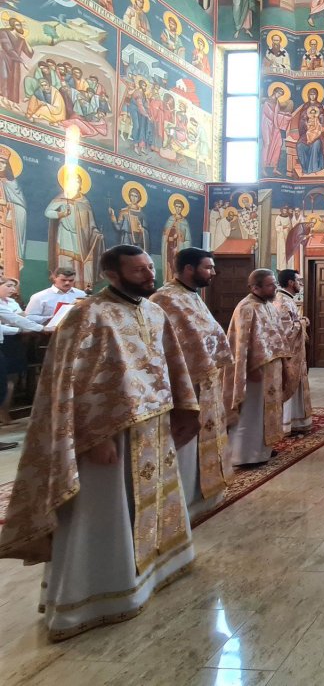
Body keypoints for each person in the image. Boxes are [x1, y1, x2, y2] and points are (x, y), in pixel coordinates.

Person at [0, 245, 198, 641]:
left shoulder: (153, 311)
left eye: (149, 268)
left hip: (152, 428)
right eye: (138, 270)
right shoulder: (88, 314)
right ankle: (96, 595)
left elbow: (171, 366)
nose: (148, 275)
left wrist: (181, 412)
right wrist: (92, 438)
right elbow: (69, 383)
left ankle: (154, 571)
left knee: (147, 504)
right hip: (107, 435)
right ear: (111, 274)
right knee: (104, 511)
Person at [149, 248, 234, 521]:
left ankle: (205, 492)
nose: (213, 273)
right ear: (188, 269)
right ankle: (183, 500)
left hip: (204, 381)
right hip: (184, 384)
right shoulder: (165, 299)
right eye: (208, 268)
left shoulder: (191, 297)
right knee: (188, 441)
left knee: (206, 436)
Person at [223, 269, 293, 466]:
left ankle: (263, 449)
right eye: (270, 285)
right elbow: (242, 343)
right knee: (251, 412)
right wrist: (249, 368)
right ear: (255, 287)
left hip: (271, 369)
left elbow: (276, 335)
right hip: (254, 371)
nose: (275, 288)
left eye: (274, 284)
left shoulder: (267, 305)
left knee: (266, 411)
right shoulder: (246, 308)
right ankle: (245, 455)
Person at [0, 277, 48, 430]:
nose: (12, 289)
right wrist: (40, 329)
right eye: (8, 285)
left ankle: (5, 413)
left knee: (8, 379)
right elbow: (14, 319)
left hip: (15, 341)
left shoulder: (11, 302)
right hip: (7, 340)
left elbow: (20, 317)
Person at [275, 269, 312, 434]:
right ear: (291, 282)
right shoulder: (283, 301)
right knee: (290, 383)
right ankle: (287, 423)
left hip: (296, 352)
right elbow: (285, 330)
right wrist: (302, 322)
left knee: (296, 383)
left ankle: (297, 420)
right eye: (299, 281)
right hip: (289, 353)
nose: (301, 284)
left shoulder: (287, 299)